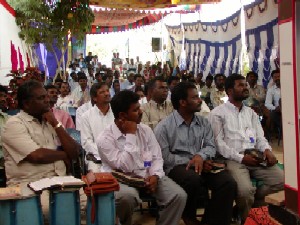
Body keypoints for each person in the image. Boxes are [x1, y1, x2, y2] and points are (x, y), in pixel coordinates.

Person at [96, 90, 187, 225]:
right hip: (122, 180)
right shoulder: (105, 139)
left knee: (178, 196)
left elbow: (156, 157)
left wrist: (155, 176)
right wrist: (131, 135)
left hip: (147, 176)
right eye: (136, 109)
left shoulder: (145, 130)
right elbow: (124, 167)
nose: (141, 111)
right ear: (122, 115)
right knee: (126, 197)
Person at [154, 82, 236, 225]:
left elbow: (211, 146)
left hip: (202, 163)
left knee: (227, 182)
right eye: (195, 98)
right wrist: (192, 161)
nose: (200, 101)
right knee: (192, 179)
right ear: (183, 102)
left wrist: (201, 157)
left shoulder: (203, 122)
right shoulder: (164, 127)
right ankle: (189, 216)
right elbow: (165, 158)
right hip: (176, 167)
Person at [208, 75, 284, 223]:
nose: (245, 88)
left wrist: (267, 150)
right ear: (230, 91)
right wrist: (241, 158)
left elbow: (260, 138)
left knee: (282, 181)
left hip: (255, 156)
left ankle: (249, 206)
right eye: (241, 85)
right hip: (232, 159)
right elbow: (219, 144)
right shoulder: (217, 114)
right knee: (244, 191)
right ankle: (247, 219)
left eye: (245, 85)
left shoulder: (251, 113)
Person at [2, 80, 79, 187]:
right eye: (41, 98)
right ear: (26, 104)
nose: (47, 100)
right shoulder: (14, 124)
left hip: (61, 181)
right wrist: (64, 155)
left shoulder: (51, 122)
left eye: (46, 96)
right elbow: (38, 155)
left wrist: (55, 123)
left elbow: (75, 152)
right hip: (30, 184)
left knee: (89, 197)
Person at [81, 83, 114, 172]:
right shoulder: (86, 116)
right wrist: (105, 154)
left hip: (116, 156)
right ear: (95, 98)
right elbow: (86, 142)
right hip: (95, 158)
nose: (107, 93)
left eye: (107, 90)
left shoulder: (116, 113)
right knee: (96, 175)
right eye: (102, 92)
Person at [0, 85, 9, 170]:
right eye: (0, 96)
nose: (3, 99)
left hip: (7, 166)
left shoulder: (8, 118)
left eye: (4, 96)